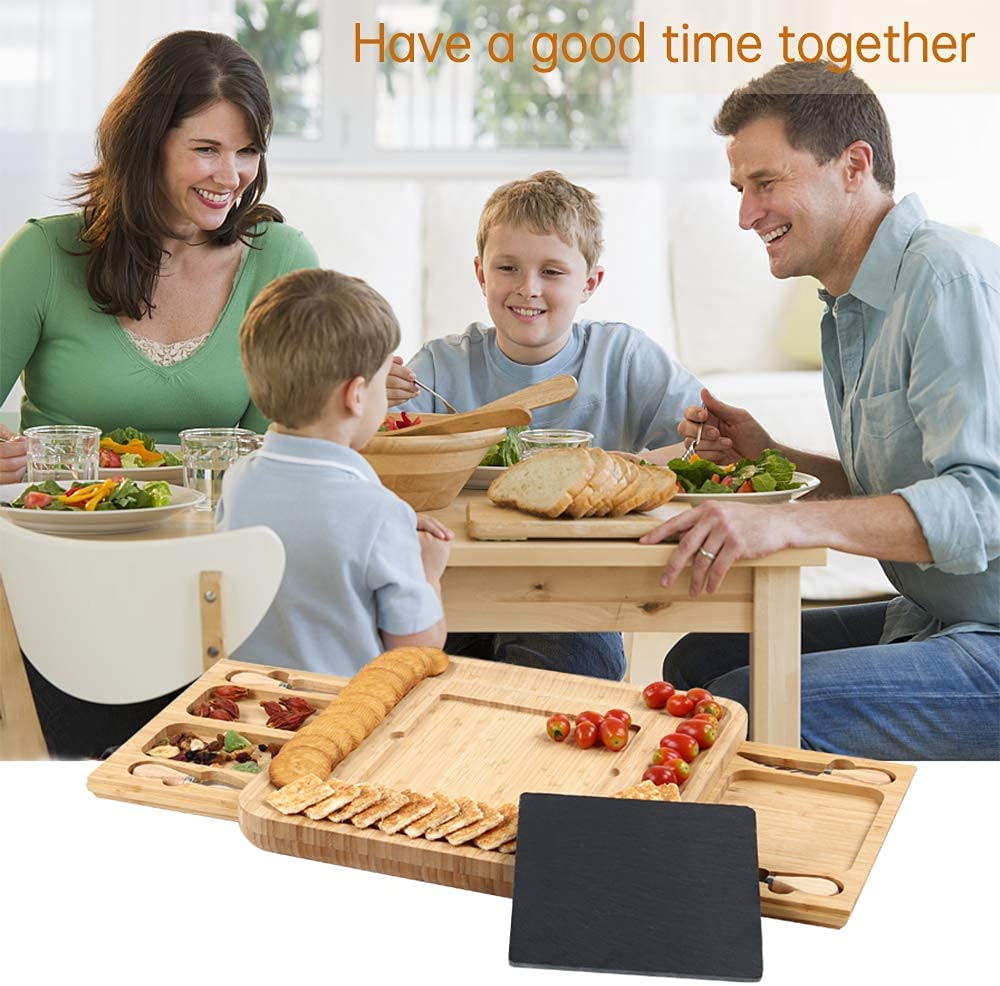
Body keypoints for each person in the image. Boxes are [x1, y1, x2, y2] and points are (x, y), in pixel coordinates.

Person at [640, 61, 1000, 760]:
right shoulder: (848, 307)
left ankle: (791, 867)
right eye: (742, 189)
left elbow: (984, 506)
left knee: (743, 705)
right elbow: (897, 495)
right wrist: (770, 458)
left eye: (766, 183)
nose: (746, 214)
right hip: (934, 614)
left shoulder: (946, 279)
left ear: (853, 166)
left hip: (990, 637)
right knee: (696, 666)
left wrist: (786, 522)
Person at [0, 30, 318, 758]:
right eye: (206, 148)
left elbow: (284, 448)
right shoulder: (44, 255)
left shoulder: (282, 260)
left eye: (247, 151)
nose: (231, 175)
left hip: (219, 568)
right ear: (145, 142)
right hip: (66, 569)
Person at [387, 171, 705, 680]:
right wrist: (368, 400)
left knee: (567, 686)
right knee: (428, 691)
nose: (527, 289)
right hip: (454, 587)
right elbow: (376, 456)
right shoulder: (440, 368)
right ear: (480, 273)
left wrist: (683, 444)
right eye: (507, 267)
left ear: (590, 283)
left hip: (575, 593)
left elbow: (701, 445)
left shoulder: (622, 356)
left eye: (552, 272)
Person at [217, 268, 451, 676]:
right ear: (356, 395)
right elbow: (417, 651)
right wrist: (428, 571)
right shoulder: (381, 514)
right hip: (347, 723)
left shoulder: (237, 480)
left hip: (250, 711)